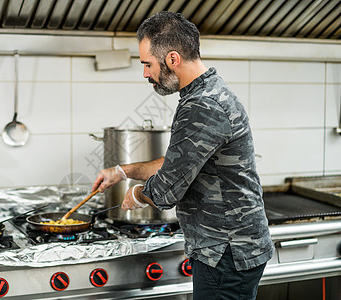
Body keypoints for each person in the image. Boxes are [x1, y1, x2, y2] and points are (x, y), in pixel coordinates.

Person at [91, 11, 274, 300]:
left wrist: (137, 195)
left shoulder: (203, 105)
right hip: (226, 249)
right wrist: (122, 171)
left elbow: (166, 190)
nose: (145, 73)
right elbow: (180, 163)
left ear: (172, 59)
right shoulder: (204, 93)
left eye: (147, 64)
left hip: (226, 252)